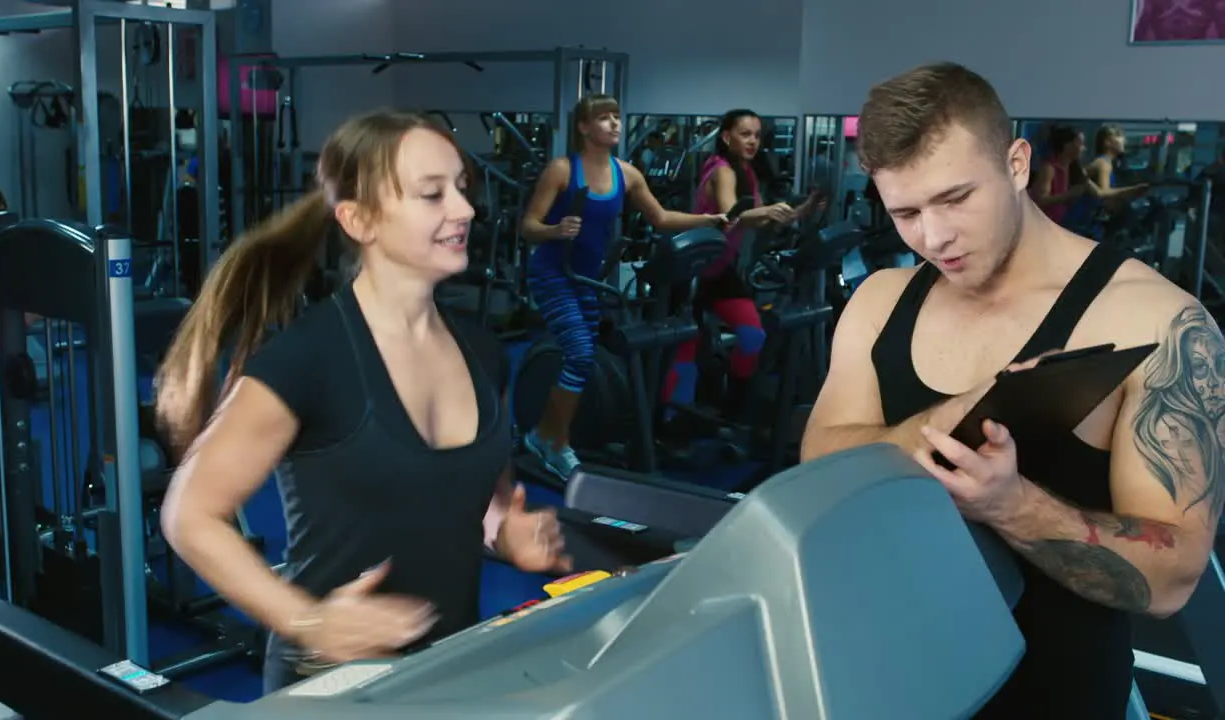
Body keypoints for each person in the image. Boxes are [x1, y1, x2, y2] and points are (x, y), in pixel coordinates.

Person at [800, 62, 1223, 717]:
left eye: (955, 198)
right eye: (906, 212)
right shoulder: (881, 301)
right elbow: (818, 468)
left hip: (1056, 698)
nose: (933, 237)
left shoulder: (1159, 321)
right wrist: (958, 416)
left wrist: (1011, 505)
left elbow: (1174, 576)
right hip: (888, 685)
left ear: (1018, 163)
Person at [156, 111, 572, 694]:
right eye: (432, 194)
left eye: (461, 189)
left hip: (449, 666)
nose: (465, 210)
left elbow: (480, 498)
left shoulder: (482, 351)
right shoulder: (307, 358)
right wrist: (306, 620)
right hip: (331, 685)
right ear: (359, 219)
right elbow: (188, 514)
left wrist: (505, 530)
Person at [519, 94, 727, 479]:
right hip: (552, 273)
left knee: (580, 358)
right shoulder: (562, 171)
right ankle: (556, 442)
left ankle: (543, 435)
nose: (614, 123)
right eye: (604, 118)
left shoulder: (627, 174)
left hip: (587, 278)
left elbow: (661, 218)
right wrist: (553, 229)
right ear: (584, 127)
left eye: (616, 117)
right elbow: (527, 226)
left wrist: (707, 220)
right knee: (580, 354)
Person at [662, 109, 823, 424]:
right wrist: (769, 210)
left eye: (756, 135)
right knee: (686, 349)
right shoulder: (722, 170)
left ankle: (732, 412)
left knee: (753, 336)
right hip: (693, 271)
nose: (752, 141)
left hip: (720, 270)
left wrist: (800, 211)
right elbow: (729, 215)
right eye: (745, 134)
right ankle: (668, 421)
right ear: (726, 137)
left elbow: (762, 218)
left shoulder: (746, 172)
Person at [1028, 125, 1097, 226]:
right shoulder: (1049, 168)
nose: (1084, 148)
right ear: (1067, 145)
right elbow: (1040, 200)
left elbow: (1097, 193)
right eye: (1080, 144)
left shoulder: (1075, 169)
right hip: (1044, 226)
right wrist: (1068, 195)